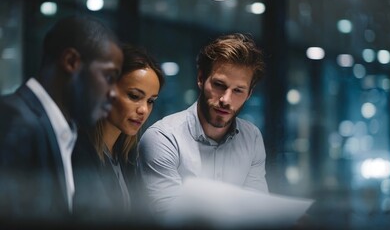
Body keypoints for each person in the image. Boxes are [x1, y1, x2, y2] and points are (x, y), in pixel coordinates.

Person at [0, 15, 123, 225]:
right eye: (109, 77)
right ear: (71, 62)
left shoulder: (63, 131)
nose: (114, 93)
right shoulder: (15, 123)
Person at [138, 33, 268, 216]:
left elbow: (258, 211)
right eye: (219, 85)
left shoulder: (252, 137)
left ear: (249, 94)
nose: (226, 99)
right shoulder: (163, 138)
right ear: (200, 78)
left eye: (238, 90)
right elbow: (172, 218)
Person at [72, 43, 164, 225]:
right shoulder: (77, 151)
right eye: (134, 96)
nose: (144, 110)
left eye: (151, 101)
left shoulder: (128, 157)